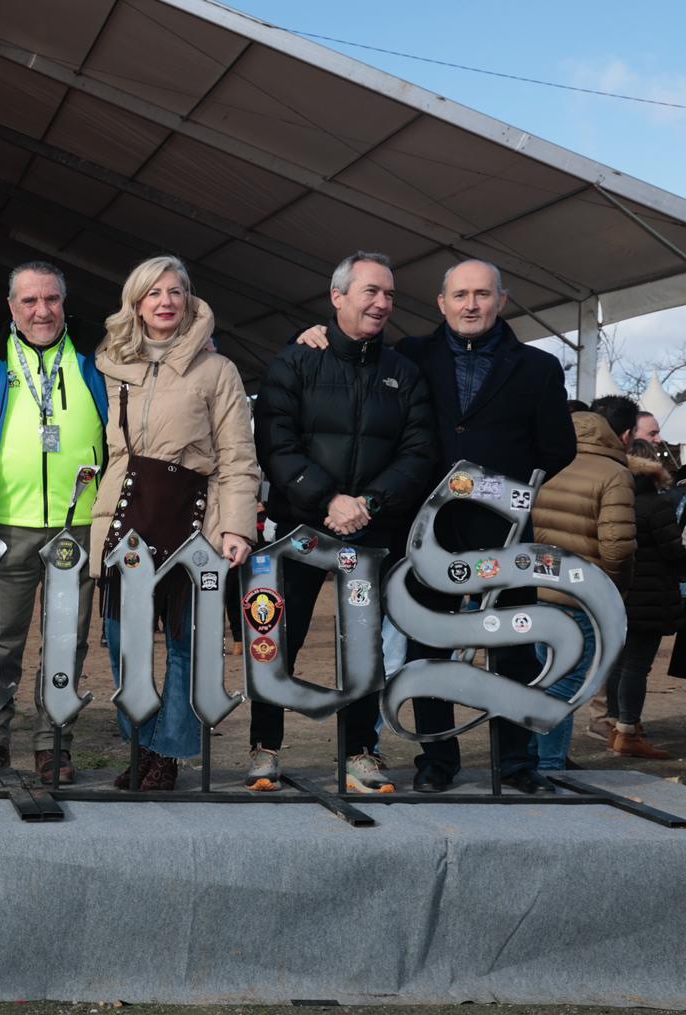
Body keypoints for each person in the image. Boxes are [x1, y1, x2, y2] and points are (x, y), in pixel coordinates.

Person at [295, 257, 577, 794]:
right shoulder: (411, 354)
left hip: (503, 534)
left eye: (482, 294)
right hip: (428, 532)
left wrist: (498, 490)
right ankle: (437, 761)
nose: (471, 305)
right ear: (442, 303)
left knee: (514, 647)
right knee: (427, 646)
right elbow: (353, 346)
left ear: (502, 301)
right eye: (460, 295)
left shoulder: (538, 368)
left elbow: (557, 448)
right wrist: (310, 334)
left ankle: (516, 763)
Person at [251, 251, 435, 793]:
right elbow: (275, 443)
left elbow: (419, 452)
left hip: (372, 533)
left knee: (365, 644)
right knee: (277, 636)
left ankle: (361, 751)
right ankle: (264, 748)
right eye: (370, 291)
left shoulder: (404, 372)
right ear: (338, 297)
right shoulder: (295, 362)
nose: (382, 303)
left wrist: (369, 504)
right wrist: (327, 499)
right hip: (300, 529)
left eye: (389, 294)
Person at [88, 256, 258, 791]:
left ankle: (168, 753)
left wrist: (237, 526)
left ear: (188, 299)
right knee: (124, 642)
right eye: (153, 293)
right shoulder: (110, 364)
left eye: (175, 291)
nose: (165, 301)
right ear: (136, 303)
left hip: (194, 519)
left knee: (187, 644)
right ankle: (140, 743)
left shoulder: (217, 370)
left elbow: (237, 455)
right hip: (127, 516)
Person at [0, 261, 108, 785]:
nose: (41, 311)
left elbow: (172, 341)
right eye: (29, 301)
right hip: (6, 522)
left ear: (64, 303)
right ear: (11, 307)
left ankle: (53, 743)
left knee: (67, 641)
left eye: (51, 299)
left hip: (78, 523)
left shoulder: (97, 355)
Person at [529, 396, 637, 771]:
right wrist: (612, 591)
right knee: (568, 679)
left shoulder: (545, 461)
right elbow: (617, 547)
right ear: (622, 436)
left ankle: (529, 757)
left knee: (542, 673)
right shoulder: (614, 473)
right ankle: (548, 764)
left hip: (533, 584)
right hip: (581, 595)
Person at [596, 438, 684, 759]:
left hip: (615, 591)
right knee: (637, 665)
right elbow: (673, 550)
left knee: (619, 662)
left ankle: (616, 724)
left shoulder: (610, 498)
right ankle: (628, 730)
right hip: (651, 594)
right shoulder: (656, 505)